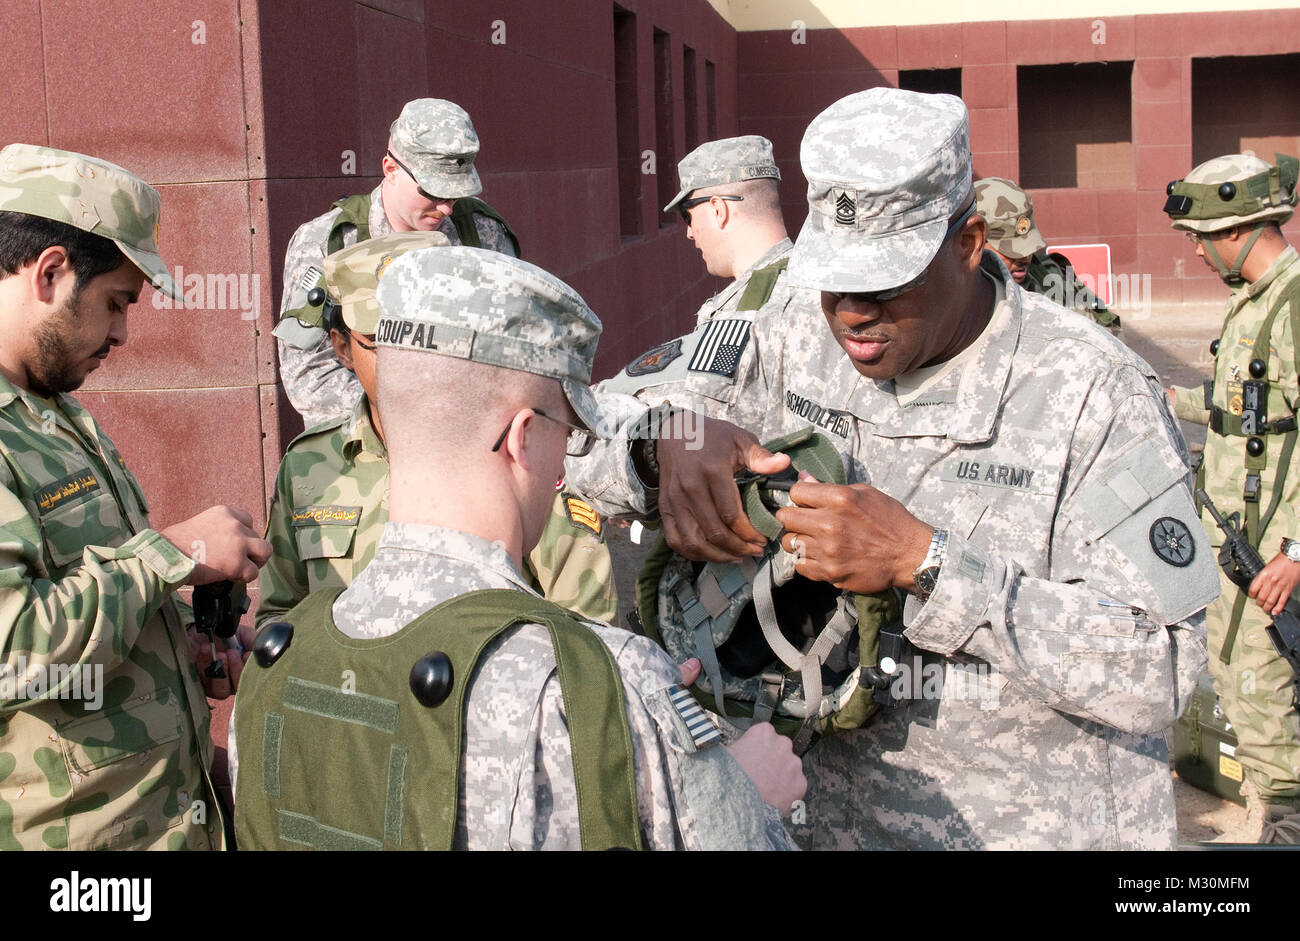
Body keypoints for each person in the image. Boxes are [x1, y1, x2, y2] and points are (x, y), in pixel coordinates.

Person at [571, 88, 1217, 850]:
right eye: (833, 279)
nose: (849, 311)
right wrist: (666, 442)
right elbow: (577, 434)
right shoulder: (786, 331)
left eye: (884, 283)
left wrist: (928, 563)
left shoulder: (1092, 392)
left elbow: (1163, 667)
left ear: (970, 240)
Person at [232, 246, 804, 850]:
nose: (565, 466)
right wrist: (749, 798)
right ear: (523, 437)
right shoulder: (603, 683)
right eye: (568, 433)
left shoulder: (276, 666)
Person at [0, 143, 271, 850]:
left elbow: (78, 611)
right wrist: (174, 553)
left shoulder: (52, 409)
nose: (122, 332)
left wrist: (170, 646)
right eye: (115, 302)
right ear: (51, 271)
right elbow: (10, 648)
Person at [258, 230, 619, 628]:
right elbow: (280, 618)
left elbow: (586, 641)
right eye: (381, 341)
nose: (405, 357)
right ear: (342, 347)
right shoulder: (309, 467)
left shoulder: (520, 459)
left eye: (422, 338)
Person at [1165, 152, 1300, 843]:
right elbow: (1241, 408)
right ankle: (1263, 809)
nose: (1196, 251)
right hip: (1238, 542)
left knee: (1262, 685)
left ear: (1237, 230)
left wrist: (1294, 553)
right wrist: (1167, 399)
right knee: (1238, 677)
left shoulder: (1294, 302)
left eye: (1202, 237)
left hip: (1273, 551)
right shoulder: (1256, 301)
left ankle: (1283, 822)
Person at [275, 98, 520, 428]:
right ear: (390, 169)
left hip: (470, 440)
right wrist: (411, 421)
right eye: (432, 191)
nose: (446, 208)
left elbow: (518, 341)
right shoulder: (327, 242)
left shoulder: (481, 232)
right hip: (366, 452)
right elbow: (307, 376)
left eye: (454, 194)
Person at [663, 135, 799, 329]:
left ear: (718, 210)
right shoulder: (826, 289)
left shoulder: (742, 315)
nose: (690, 233)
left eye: (687, 216)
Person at [973, 176, 1119, 333]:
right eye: (1009, 250)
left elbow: (1107, 328)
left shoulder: (1048, 274)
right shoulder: (957, 305)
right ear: (974, 242)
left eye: (1027, 245)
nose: (1025, 257)